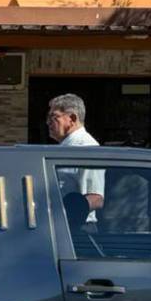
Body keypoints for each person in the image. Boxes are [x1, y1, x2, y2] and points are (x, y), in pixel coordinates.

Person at [46, 93, 105, 223]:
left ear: (72, 118)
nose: (48, 122)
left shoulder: (87, 148)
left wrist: (64, 213)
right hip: (59, 226)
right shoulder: (67, 147)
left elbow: (95, 198)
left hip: (77, 229)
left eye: (53, 117)